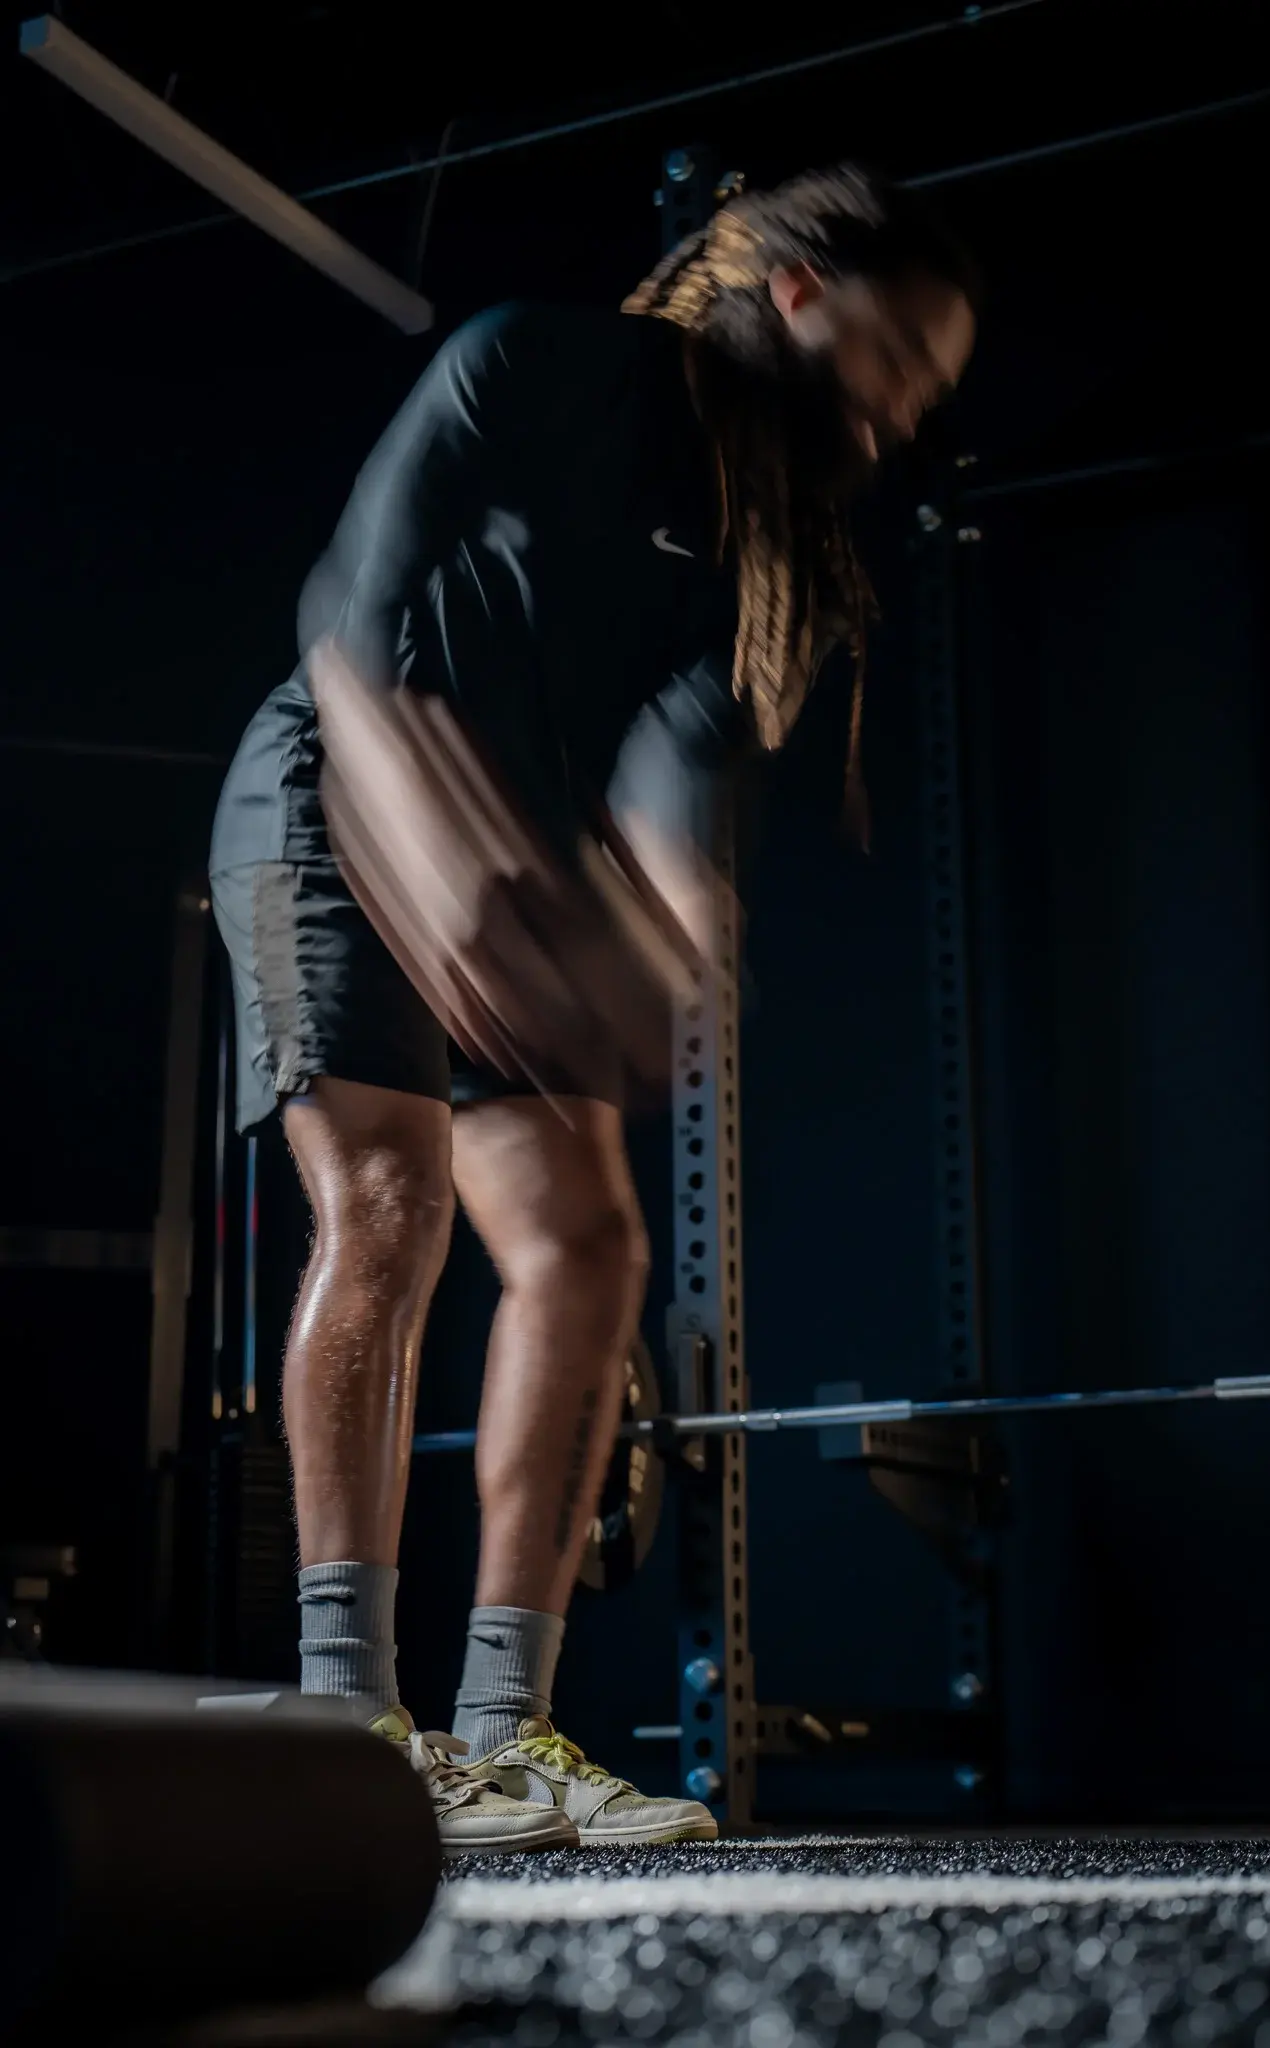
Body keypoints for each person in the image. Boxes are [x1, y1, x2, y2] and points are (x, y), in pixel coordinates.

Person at [208, 164, 979, 1852]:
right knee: (392, 1206)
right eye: (901, 360)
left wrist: (672, 905)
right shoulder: (527, 364)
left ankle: (502, 1738)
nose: (906, 410)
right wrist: (448, 871)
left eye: (931, 389)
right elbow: (348, 621)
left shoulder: (769, 553)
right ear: (795, 294)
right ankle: (350, 1719)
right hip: (320, 797)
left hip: (507, 862)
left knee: (590, 1248)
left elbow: (677, 769)